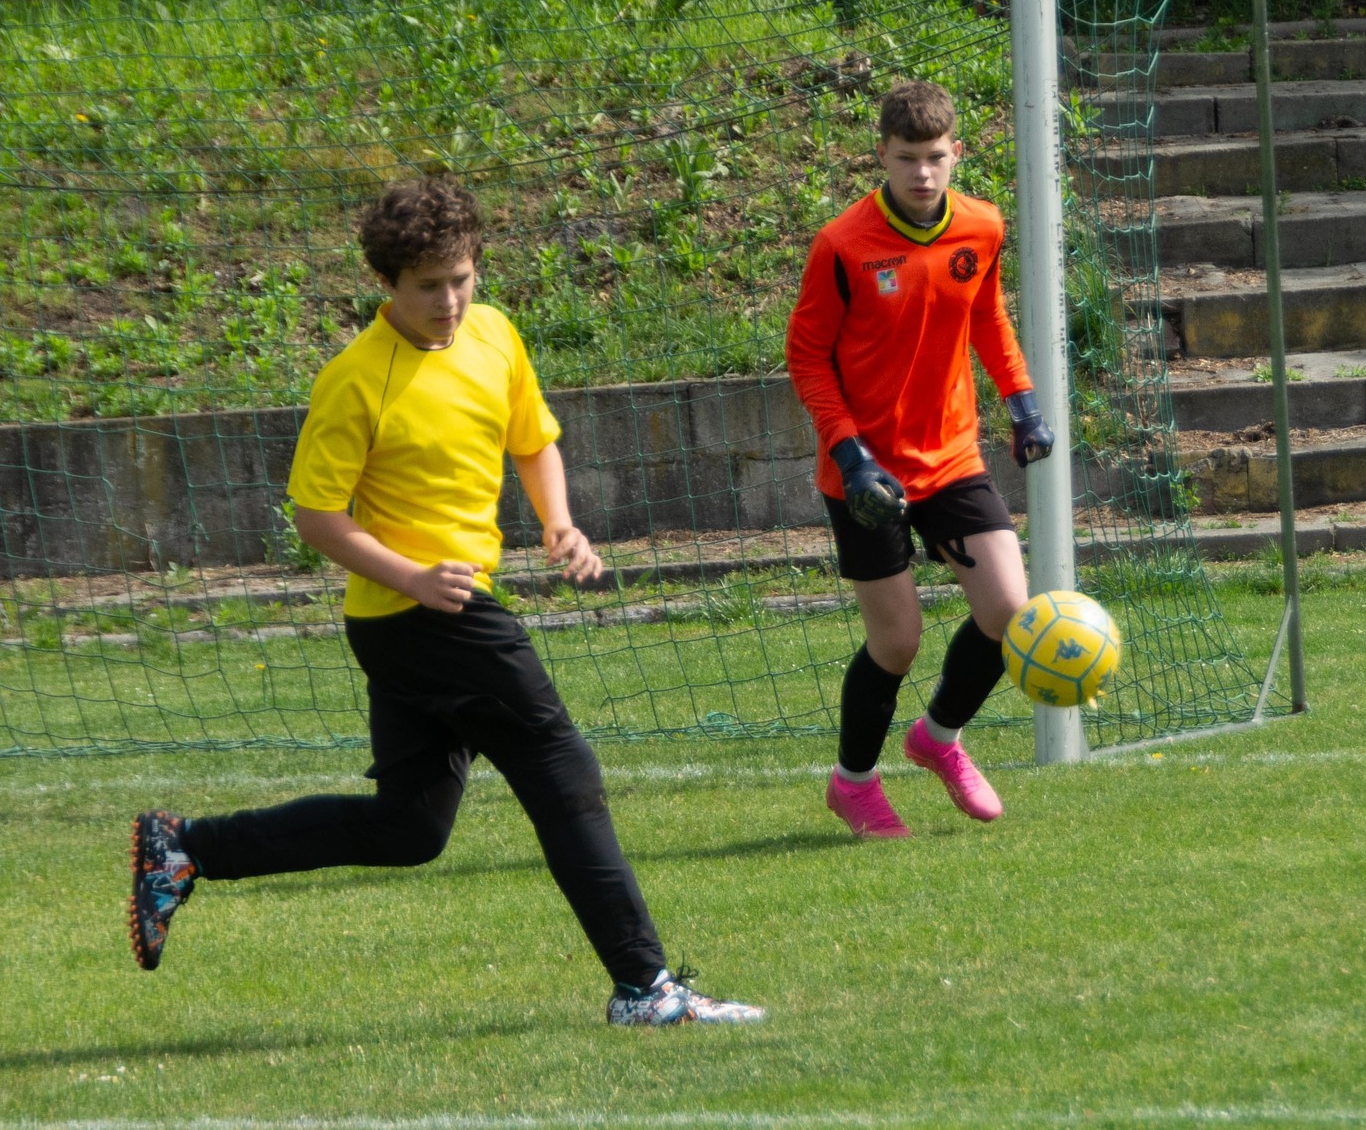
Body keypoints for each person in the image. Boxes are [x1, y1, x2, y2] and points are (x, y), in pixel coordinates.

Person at [126, 179, 764, 1026]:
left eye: (461, 278)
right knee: (562, 766)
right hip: (423, 615)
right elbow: (316, 515)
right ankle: (646, 988)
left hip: (426, 618)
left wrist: (559, 522)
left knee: (410, 830)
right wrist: (414, 577)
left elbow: (533, 440)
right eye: (428, 286)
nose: (450, 301)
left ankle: (186, 847)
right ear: (386, 283)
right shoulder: (355, 379)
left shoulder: (494, 334)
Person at [785, 81, 1055, 839]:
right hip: (864, 473)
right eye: (907, 158)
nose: (923, 173)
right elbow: (807, 357)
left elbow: (988, 318)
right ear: (882, 155)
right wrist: (849, 453)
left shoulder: (982, 225)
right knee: (897, 641)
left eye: (936, 157)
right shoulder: (842, 244)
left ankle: (937, 738)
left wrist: (1022, 401)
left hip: (952, 455)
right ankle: (853, 785)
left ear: (956, 152)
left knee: (1009, 614)